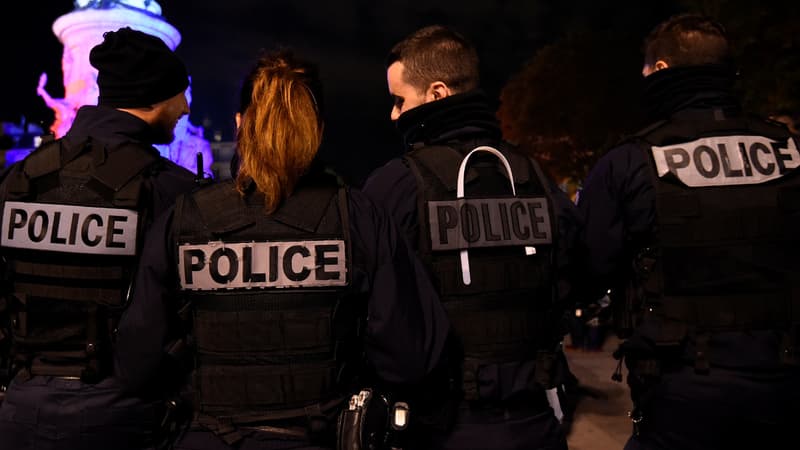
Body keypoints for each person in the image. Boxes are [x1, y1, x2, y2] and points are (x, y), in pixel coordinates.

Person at [114, 49, 450, 450]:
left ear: (239, 125)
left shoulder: (183, 219)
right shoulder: (359, 217)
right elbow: (412, 358)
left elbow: (136, 365)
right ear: (319, 129)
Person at [578, 13, 800, 450]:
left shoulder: (630, 161)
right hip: (786, 372)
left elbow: (588, 267)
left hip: (683, 380)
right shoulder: (788, 150)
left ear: (659, 70)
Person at [362, 25, 582, 449]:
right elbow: (578, 273)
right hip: (535, 417)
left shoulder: (394, 187)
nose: (393, 116)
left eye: (398, 100)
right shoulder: (535, 176)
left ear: (438, 94)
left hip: (443, 425)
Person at [0, 27, 197, 449]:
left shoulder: (22, 179)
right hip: (119, 411)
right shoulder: (168, 191)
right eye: (177, 95)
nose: (184, 107)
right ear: (151, 97)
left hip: (20, 405)